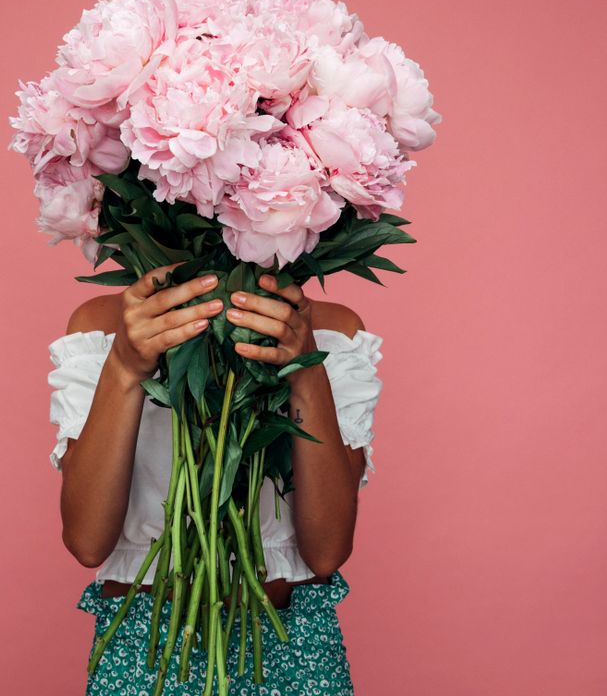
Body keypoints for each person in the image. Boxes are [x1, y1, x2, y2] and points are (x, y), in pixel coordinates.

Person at [47, 261, 384, 695]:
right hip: (146, 654)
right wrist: (126, 369)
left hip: (293, 652)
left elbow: (327, 551)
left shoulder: (330, 330)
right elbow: (87, 542)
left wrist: (306, 371)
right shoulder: (106, 326)